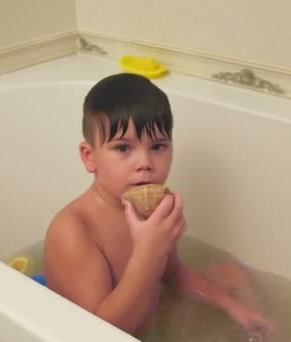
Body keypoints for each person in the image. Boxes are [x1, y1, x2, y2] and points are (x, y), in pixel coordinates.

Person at [43, 73, 275, 338]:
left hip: (149, 322)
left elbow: (173, 273)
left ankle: (262, 332)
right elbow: (99, 335)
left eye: (158, 146)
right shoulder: (74, 229)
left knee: (230, 275)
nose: (145, 162)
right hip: (106, 333)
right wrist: (148, 253)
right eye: (123, 148)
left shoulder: (150, 210)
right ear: (90, 157)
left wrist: (232, 307)